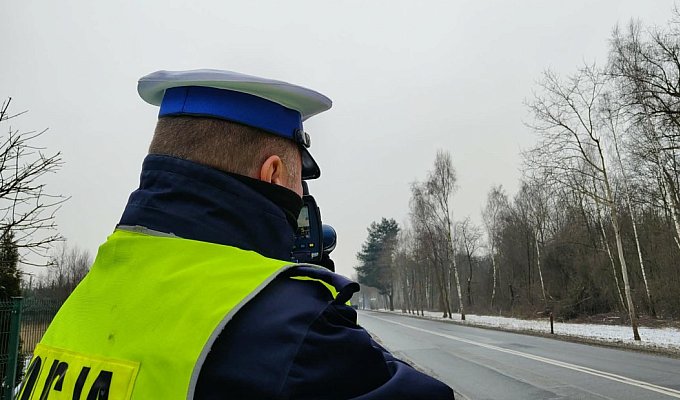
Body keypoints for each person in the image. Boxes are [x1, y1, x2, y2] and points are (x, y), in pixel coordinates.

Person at [19, 69, 454, 399]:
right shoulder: (290, 328)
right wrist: (315, 310)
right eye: (301, 180)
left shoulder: (85, 299)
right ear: (273, 172)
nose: (302, 195)